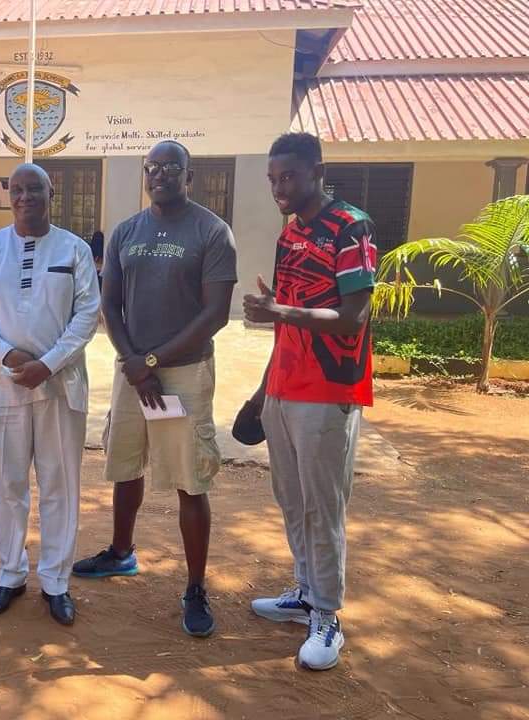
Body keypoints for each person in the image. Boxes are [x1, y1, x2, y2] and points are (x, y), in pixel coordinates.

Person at [72, 141, 237, 638]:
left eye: (171, 168)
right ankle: (122, 552)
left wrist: (152, 361)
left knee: (189, 478)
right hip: (135, 376)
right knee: (127, 464)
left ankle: (194, 586)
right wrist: (133, 363)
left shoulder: (211, 231)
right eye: (152, 167)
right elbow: (111, 304)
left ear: (191, 177)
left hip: (181, 375)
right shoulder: (126, 231)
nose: (160, 174)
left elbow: (215, 315)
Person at [242, 132, 376, 671]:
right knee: (292, 500)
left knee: (324, 506)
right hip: (284, 387)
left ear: (316, 170)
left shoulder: (352, 226)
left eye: (288, 176)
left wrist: (281, 315)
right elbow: (286, 314)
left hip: (329, 389)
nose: (279, 187)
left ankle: (328, 615)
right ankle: (304, 591)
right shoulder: (290, 231)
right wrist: (261, 389)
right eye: (272, 178)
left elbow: (353, 315)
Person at [0, 163, 100, 626]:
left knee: (60, 487)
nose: (25, 197)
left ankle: (56, 582)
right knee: (9, 486)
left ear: (51, 191)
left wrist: (48, 364)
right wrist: (4, 353)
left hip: (60, 387)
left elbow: (87, 314)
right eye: (16, 190)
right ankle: (10, 574)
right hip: (4, 387)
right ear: (8, 194)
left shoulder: (74, 249)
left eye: (33, 188)